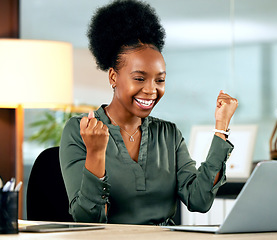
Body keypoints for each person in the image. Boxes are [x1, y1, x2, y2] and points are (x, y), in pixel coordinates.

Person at [60, 0, 238, 225]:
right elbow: (89, 219)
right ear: (113, 77)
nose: (151, 90)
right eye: (139, 78)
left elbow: (199, 200)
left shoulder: (169, 134)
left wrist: (221, 127)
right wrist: (95, 153)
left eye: (160, 80)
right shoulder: (79, 131)